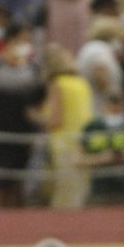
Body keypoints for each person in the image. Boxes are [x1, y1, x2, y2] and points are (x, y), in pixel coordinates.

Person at [0, 24, 45, 208]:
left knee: (20, 185)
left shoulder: (34, 73)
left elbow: (39, 104)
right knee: (0, 184)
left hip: (24, 136)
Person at [43, 44, 95, 211]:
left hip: (64, 144)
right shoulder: (81, 83)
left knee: (64, 193)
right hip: (83, 142)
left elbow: (56, 119)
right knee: (79, 192)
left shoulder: (57, 84)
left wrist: (36, 117)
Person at [79, 89, 124, 206]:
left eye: (118, 101)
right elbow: (77, 159)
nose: (115, 106)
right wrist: (103, 158)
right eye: (112, 101)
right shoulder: (93, 127)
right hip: (99, 189)